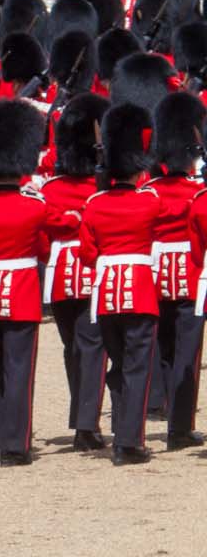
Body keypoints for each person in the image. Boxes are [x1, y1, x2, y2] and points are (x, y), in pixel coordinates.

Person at [0, 98, 78, 466]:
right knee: (18, 371)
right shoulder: (34, 205)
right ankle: (15, 445)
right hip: (22, 295)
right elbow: (60, 232)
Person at [79, 104, 161, 465]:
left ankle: (120, 433)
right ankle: (129, 441)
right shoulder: (149, 203)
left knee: (117, 366)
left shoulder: (94, 205)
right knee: (137, 367)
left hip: (106, 295)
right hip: (140, 294)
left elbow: (86, 253)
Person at [45, 94, 108, 451]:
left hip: (58, 278)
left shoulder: (51, 189)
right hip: (91, 273)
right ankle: (87, 424)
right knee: (91, 348)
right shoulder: (103, 192)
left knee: (74, 349)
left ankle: (82, 418)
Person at [145, 92, 205, 448]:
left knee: (163, 345)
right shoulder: (196, 192)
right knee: (187, 351)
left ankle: (164, 408)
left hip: (155, 274)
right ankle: (180, 426)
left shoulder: (149, 190)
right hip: (189, 271)